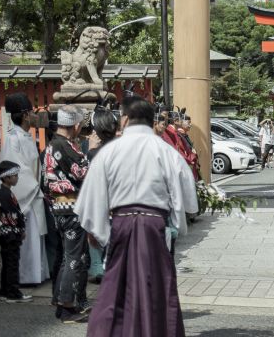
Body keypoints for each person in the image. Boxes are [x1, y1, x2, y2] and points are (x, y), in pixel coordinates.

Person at [75, 96, 198, 337]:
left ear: (125, 119)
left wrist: (101, 233)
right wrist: (177, 223)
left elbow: (91, 198)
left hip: (121, 224)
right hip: (155, 226)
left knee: (116, 288)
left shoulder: (109, 152)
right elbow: (189, 201)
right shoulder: (166, 151)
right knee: (158, 287)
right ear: (150, 119)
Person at [0, 92, 49, 286]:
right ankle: (24, 277)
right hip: (25, 196)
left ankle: (36, 274)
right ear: (25, 115)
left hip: (33, 194)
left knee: (34, 238)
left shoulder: (26, 136)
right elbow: (14, 167)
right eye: (33, 112)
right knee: (26, 239)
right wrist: (35, 186)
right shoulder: (12, 138)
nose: (36, 116)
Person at [44, 106, 90, 323]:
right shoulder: (66, 147)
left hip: (59, 208)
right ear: (76, 125)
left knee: (67, 256)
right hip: (72, 208)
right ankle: (67, 306)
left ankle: (60, 300)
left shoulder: (52, 145)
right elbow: (82, 173)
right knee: (73, 258)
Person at [84, 109, 121, 284]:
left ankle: (98, 266)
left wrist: (91, 151)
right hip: (118, 202)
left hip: (100, 202)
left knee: (94, 234)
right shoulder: (120, 149)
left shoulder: (93, 154)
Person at [0, 160, 33, 303]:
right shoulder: (5, 194)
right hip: (10, 233)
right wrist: (21, 228)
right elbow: (13, 214)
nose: (17, 178)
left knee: (7, 263)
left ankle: (5, 291)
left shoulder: (3, 192)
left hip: (5, 232)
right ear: (6, 177)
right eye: (14, 176)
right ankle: (13, 293)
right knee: (12, 263)